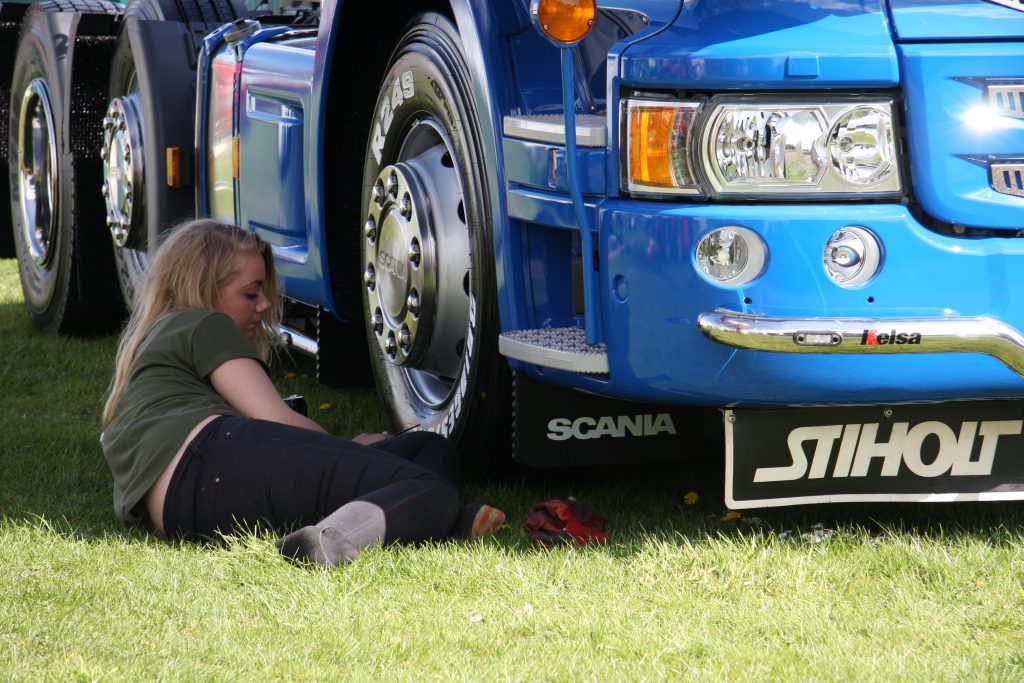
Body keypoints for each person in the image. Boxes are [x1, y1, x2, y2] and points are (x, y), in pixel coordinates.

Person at [100, 219, 504, 567]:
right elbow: (273, 419)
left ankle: (433, 518)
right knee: (431, 487)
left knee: (429, 449)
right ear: (204, 287)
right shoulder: (204, 324)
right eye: (251, 293)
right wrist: (346, 448)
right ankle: (326, 545)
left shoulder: (159, 340)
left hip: (185, 507)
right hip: (213, 461)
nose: (265, 304)